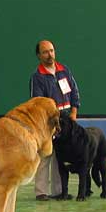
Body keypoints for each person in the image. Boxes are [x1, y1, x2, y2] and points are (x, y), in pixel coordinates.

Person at [30, 39, 80, 201]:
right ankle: (41, 192)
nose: (49, 54)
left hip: (67, 122)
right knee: (45, 156)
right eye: (45, 52)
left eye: (51, 50)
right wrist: (50, 121)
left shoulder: (64, 71)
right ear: (39, 55)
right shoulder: (37, 77)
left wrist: (73, 113)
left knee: (61, 156)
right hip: (47, 123)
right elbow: (37, 103)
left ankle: (60, 191)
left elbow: (74, 93)